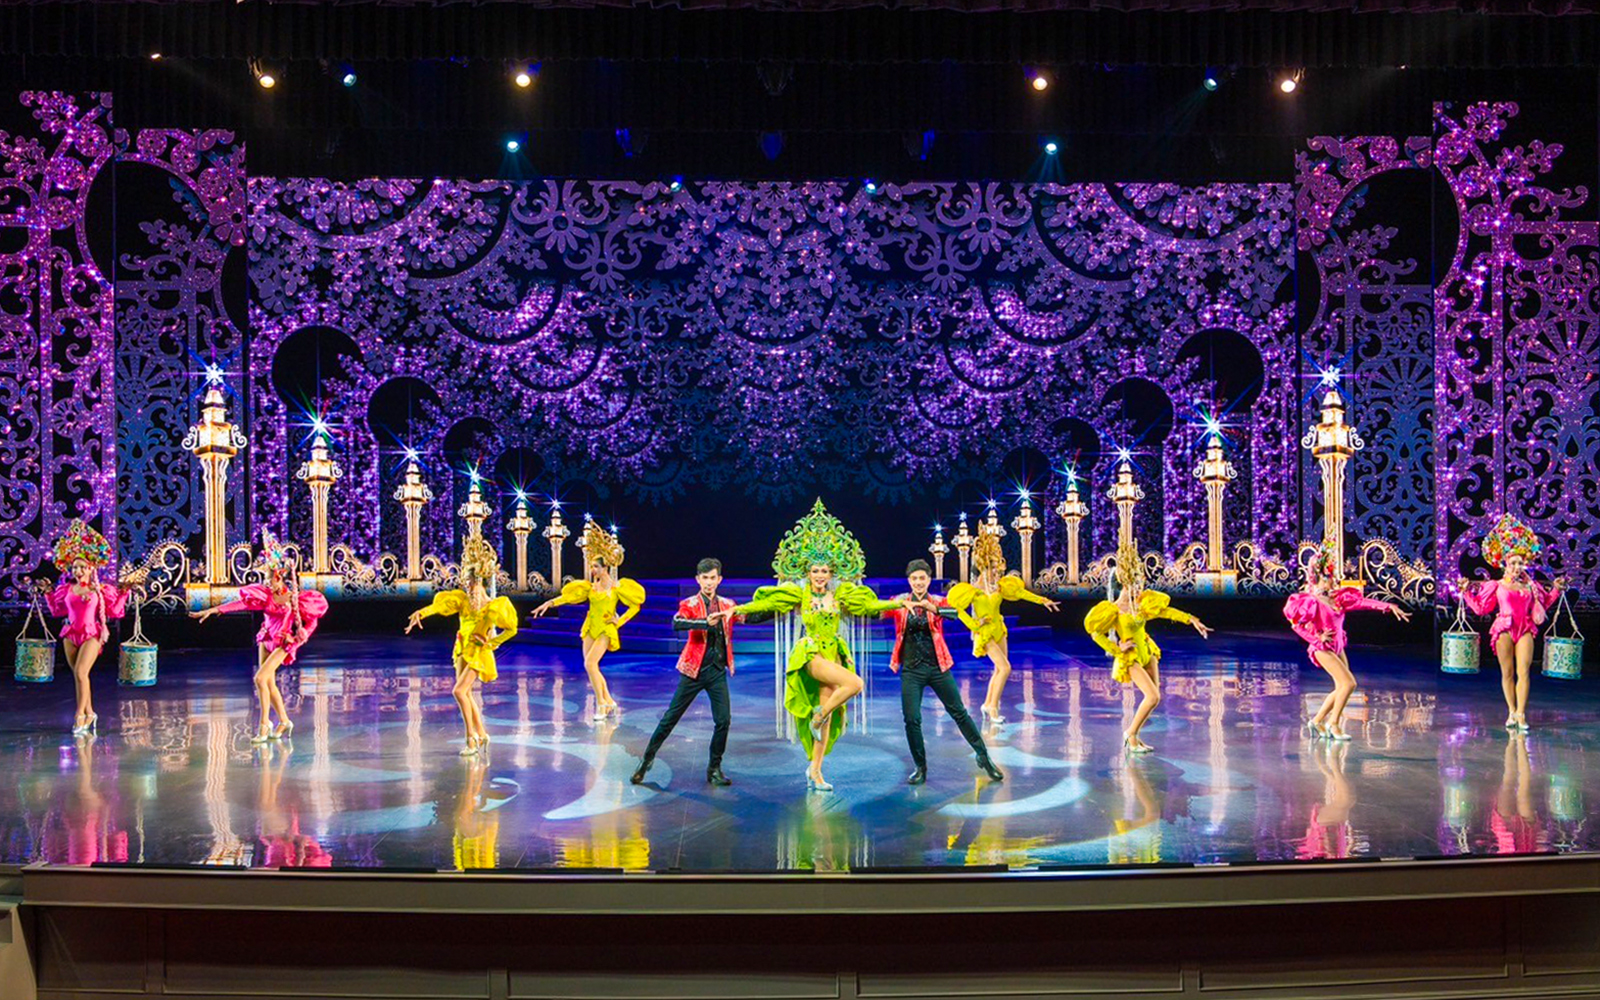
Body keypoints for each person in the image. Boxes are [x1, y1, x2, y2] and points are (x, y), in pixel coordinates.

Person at [727, 500, 908, 792]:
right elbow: (769, 601)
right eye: (815, 570)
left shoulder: (843, 593)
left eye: (825, 570)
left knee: (830, 713)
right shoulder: (799, 593)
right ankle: (818, 715)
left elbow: (869, 604)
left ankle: (816, 770)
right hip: (812, 655)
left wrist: (899, 602)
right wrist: (736, 610)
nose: (821, 575)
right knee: (855, 684)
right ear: (808, 573)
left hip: (833, 655)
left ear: (831, 572)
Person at [632, 557, 772, 787]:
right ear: (698, 579)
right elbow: (677, 623)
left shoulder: (728, 605)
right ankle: (646, 761)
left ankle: (714, 768)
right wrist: (704, 623)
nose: (709, 582)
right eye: (704, 578)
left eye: (712, 578)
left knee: (723, 720)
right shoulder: (689, 604)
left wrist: (779, 609)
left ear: (720, 579)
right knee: (669, 719)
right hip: (693, 671)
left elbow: (749, 617)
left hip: (717, 670)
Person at [190, 530, 330, 743]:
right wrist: (214, 610)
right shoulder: (265, 594)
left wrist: (301, 637)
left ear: (278, 576)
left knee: (260, 678)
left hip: (284, 641)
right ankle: (284, 721)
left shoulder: (294, 598)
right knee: (267, 682)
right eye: (264, 576)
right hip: (266, 638)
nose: (266, 581)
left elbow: (311, 622)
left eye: (269, 577)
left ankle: (264, 723)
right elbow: (241, 604)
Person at [883, 559, 1003, 785]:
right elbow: (877, 609)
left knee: (959, 713)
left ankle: (984, 758)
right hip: (911, 670)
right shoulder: (900, 602)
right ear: (909, 581)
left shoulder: (939, 601)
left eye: (922, 578)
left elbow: (954, 614)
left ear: (928, 580)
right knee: (912, 719)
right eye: (914, 578)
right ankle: (920, 767)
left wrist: (933, 608)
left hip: (938, 667)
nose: (919, 582)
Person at [1083, 540, 1210, 753]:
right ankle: (1130, 734)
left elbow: (1165, 612)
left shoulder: (1141, 603)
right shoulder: (1113, 609)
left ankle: (1135, 735)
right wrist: (1116, 648)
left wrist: (1192, 620)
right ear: (1125, 583)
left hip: (1148, 652)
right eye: (1136, 583)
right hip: (1130, 657)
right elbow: (1095, 632)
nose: (1140, 588)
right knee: (1153, 697)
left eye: (1141, 583)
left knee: (1152, 699)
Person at [1283, 541, 1411, 740]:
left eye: (1332, 577)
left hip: (1338, 646)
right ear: (1318, 578)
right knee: (1349, 684)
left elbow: (1363, 603)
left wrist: (1387, 606)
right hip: (1322, 647)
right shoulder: (1310, 602)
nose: (1332, 581)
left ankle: (1316, 721)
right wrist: (1317, 638)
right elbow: (1295, 624)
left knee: (1342, 686)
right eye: (1328, 578)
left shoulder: (1337, 598)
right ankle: (1333, 724)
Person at [406, 537, 519, 755]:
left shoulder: (493, 606)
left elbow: (512, 629)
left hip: (479, 652)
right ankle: (483, 734)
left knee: (459, 691)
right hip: (461, 648)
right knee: (465, 694)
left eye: (469, 580)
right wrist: (422, 612)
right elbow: (439, 606)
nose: (465, 584)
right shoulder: (463, 600)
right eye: (465, 580)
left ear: (478, 581)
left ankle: (471, 740)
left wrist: (492, 642)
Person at [1458, 514, 1568, 731]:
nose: (1518, 567)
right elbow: (1481, 609)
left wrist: (1556, 588)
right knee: (1507, 673)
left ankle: (1521, 714)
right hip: (1504, 629)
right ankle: (1511, 711)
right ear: (1505, 564)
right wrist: (1466, 593)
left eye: (1521, 563)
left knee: (1524, 671)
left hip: (1525, 627)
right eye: (1514, 563)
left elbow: (1544, 604)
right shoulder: (1495, 585)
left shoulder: (1531, 587)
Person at [531, 522, 646, 721]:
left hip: (605, 629)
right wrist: (548, 603)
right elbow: (568, 598)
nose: (592, 569)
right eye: (591, 566)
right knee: (590, 665)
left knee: (591, 664)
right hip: (590, 628)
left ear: (605, 568)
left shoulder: (617, 587)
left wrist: (619, 621)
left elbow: (636, 605)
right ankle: (608, 700)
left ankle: (601, 704)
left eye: (595, 566)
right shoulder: (590, 588)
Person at [946, 532, 1061, 724]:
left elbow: (1021, 593)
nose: (996, 573)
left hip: (999, 629)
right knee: (1005, 668)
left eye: (998, 569)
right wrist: (974, 625)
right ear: (983, 568)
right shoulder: (972, 590)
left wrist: (1043, 601)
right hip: (984, 632)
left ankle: (989, 704)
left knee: (999, 670)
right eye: (993, 569)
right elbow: (957, 610)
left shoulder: (999, 586)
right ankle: (992, 708)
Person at [39, 520, 131, 736]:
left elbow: (116, 612)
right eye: (75, 567)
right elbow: (56, 611)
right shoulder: (67, 589)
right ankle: (90, 712)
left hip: (92, 634)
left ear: (91, 568)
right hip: (70, 634)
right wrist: (47, 593)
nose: (78, 570)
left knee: (81, 672)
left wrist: (125, 593)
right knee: (80, 676)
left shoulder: (101, 590)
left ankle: (79, 715)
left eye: (82, 567)